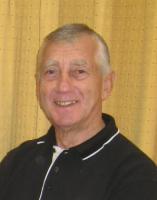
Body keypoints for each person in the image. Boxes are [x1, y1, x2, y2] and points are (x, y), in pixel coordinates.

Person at [0, 23, 157, 200]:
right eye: (51, 72)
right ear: (38, 86)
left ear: (107, 84)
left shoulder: (137, 177)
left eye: (79, 71)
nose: (63, 86)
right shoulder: (17, 160)